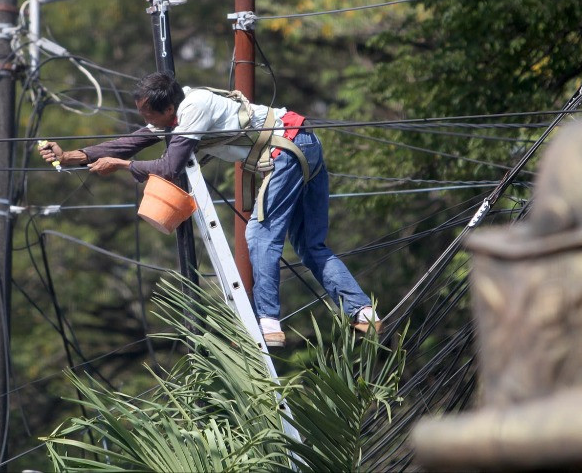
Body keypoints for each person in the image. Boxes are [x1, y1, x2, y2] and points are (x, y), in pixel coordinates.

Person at [39, 71, 378, 347]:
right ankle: (363, 312)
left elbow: (171, 166)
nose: (146, 122)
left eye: (148, 115)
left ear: (169, 108)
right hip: (305, 143)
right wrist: (73, 156)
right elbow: (132, 140)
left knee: (259, 235)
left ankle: (269, 322)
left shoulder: (193, 109)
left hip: (286, 149)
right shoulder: (178, 109)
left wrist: (123, 166)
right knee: (309, 245)